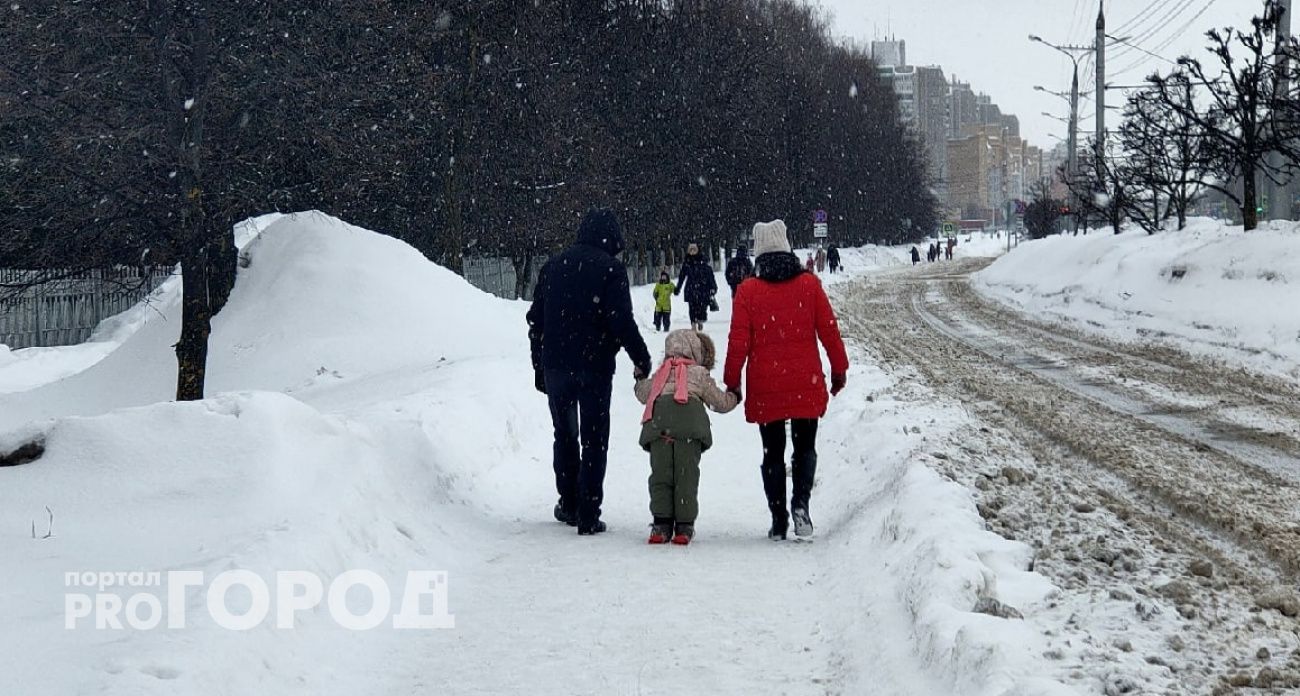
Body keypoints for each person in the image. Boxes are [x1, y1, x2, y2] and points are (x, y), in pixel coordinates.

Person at [527, 208, 652, 536]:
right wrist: (641, 358)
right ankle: (588, 511)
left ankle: (568, 502)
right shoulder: (610, 269)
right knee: (594, 440)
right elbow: (620, 320)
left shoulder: (554, 266)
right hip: (594, 367)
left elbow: (536, 320)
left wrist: (539, 366)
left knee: (564, 434)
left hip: (556, 366)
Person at [725, 220, 849, 540]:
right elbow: (829, 331)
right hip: (805, 380)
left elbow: (738, 342)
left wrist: (732, 381)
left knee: (772, 452)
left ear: (758, 251)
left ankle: (778, 518)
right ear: (787, 246)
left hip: (767, 384)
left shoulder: (748, 291)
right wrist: (838, 370)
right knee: (805, 447)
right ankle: (801, 505)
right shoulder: (809, 285)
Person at [634, 329, 739, 545]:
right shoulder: (699, 374)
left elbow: (643, 394)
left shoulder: (662, 371)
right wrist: (735, 396)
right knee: (686, 476)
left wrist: (639, 378)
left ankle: (661, 524)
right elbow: (720, 402)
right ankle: (684, 526)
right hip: (689, 427)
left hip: (659, 425)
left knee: (661, 475)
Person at [675, 243, 717, 330]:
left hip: (702, 289)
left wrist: (713, 287)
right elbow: (682, 277)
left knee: (702, 308)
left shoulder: (702, 261)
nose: (692, 251)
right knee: (692, 308)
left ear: (697, 250)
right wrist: (678, 288)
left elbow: (709, 275)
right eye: (691, 250)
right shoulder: (687, 263)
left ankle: (700, 321)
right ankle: (693, 323)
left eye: (694, 249)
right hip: (691, 289)